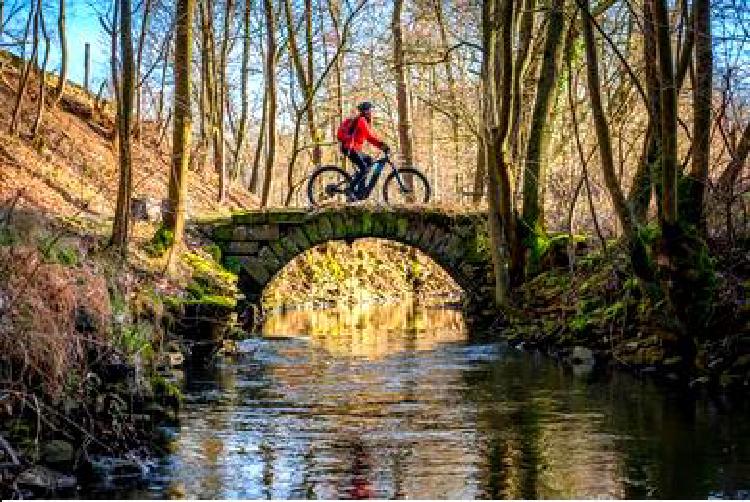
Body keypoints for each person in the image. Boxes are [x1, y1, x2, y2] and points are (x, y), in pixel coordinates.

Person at [336, 102, 390, 195]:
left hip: (353, 148)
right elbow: (370, 136)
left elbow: (369, 138)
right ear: (366, 111)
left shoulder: (361, 121)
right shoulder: (361, 120)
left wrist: (381, 146)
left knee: (369, 161)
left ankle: (360, 190)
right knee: (364, 169)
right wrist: (382, 146)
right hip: (350, 148)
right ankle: (350, 189)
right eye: (370, 110)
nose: (372, 113)